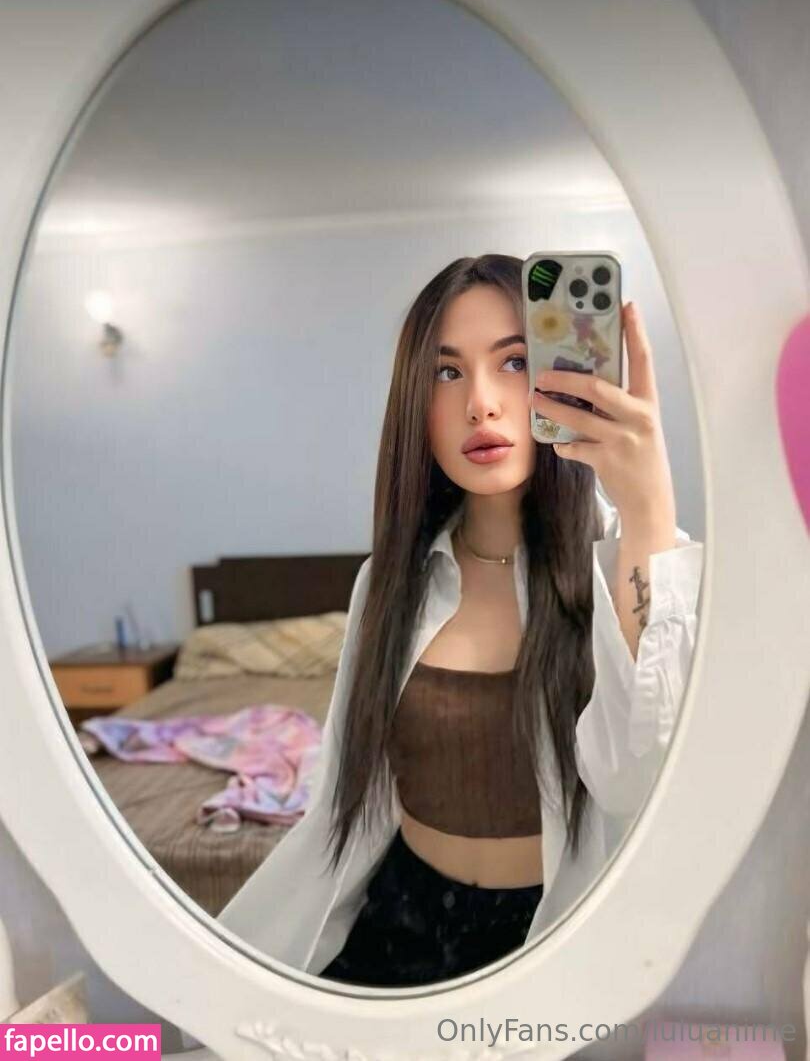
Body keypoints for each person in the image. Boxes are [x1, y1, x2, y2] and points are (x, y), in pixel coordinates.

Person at [217, 254, 703, 987]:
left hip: (550, 941)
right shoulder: (390, 582)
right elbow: (344, 797)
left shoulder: (635, 562)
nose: (480, 403)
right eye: (447, 372)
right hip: (398, 924)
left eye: (514, 362)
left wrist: (648, 510)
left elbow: (645, 783)